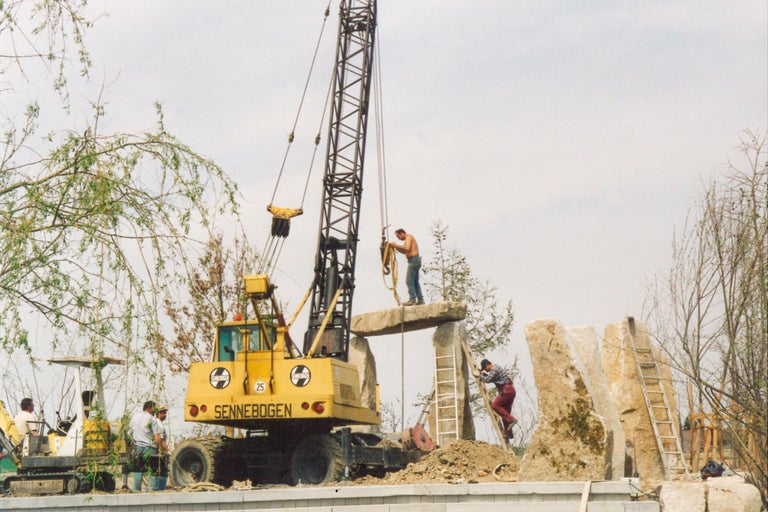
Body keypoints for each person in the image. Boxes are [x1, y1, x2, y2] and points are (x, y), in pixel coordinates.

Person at [476, 359, 518, 438]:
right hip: (510, 390)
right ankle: (508, 433)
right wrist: (483, 374)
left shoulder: (494, 369)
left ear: (487, 365)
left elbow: (488, 380)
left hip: (506, 391)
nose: (487, 371)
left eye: (486, 369)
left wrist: (479, 376)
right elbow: (491, 377)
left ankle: (511, 420)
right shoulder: (496, 368)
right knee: (505, 413)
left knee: (495, 406)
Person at [389, 228, 424, 306]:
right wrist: (396, 248)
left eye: (398, 236)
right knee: (415, 282)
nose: (398, 238)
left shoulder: (408, 238)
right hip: (415, 260)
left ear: (402, 233)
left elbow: (406, 248)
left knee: (409, 281)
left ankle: (412, 299)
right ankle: (420, 300)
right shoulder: (408, 239)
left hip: (414, 260)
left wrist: (396, 245)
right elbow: (405, 251)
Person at [129, 400, 160, 491]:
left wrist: (134, 441)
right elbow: (157, 436)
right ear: (149, 408)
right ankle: (152, 488)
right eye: (154, 408)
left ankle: (136, 488)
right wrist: (159, 448)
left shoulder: (134, 418)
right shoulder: (153, 420)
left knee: (138, 468)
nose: (155, 410)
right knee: (153, 468)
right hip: (150, 447)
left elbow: (129, 432)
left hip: (138, 447)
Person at [149, 405, 170, 491]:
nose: (165, 414)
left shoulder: (159, 423)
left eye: (165, 412)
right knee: (160, 470)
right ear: (158, 413)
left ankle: (158, 488)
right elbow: (160, 440)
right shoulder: (158, 424)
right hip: (158, 450)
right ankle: (158, 488)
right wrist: (167, 450)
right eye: (163, 413)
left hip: (159, 450)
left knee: (160, 470)